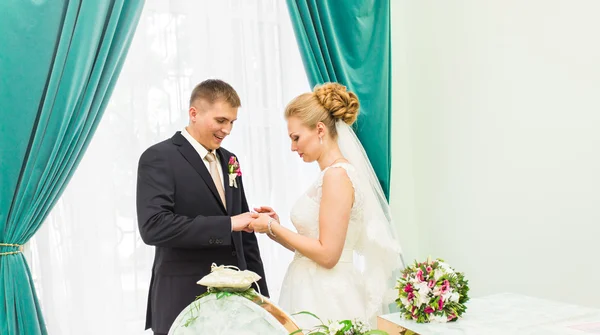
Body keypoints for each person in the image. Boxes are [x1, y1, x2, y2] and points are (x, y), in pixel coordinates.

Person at [250, 83, 403, 328]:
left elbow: (328, 255)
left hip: (326, 295)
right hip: (312, 287)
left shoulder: (336, 177)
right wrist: (273, 229)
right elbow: (313, 250)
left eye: (296, 137)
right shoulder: (330, 176)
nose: (292, 147)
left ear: (319, 129)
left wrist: (272, 227)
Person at [136, 79, 269, 335]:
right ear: (194, 114)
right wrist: (228, 224)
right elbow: (153, 227)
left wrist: (262, 298)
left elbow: (244, 238)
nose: (227, 129)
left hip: (236, 305)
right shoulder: (159, 157)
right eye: (221, 121)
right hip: (183, 299)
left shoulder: (231, 159)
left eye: (232, 122)